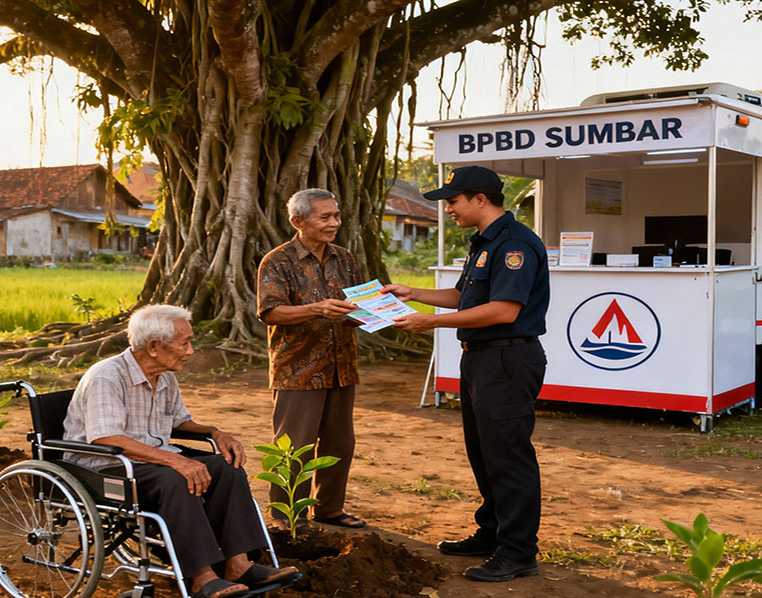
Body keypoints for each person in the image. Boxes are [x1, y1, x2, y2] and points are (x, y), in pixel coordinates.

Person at [380, 165, 549, 583]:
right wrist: (412, 293)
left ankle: (518, 551)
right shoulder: (485, 242)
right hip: (481, 359)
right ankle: (492, 533)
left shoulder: (515, 245)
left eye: (453, 201)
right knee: (484, 452)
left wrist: (429, 323)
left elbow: (503, 310)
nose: (448, 209)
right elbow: (463, 295)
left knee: (508, 456)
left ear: (480, 199)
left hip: (507, 360)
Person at [62, 305, 299, 598]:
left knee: (226, 466)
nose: (190, 351)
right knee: (177, 478)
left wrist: (215, 433)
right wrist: (177, 461)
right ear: (153, 346)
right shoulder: (107, 376)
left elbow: (179, 422)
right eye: (184, 342)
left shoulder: (164, 376)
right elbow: (107, 438)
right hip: (104, 466)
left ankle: (239, 564)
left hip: (151, 460)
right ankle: (202, 577)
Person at [256, 188, 366, 529]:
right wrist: (315, 309)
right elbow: (271, 312)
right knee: (295, 447)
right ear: (298, 221)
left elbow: (360, 306)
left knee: (340, 444)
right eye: (326, 217)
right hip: (298, 371)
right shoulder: (277, 260)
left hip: (341, 366)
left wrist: (374, 312)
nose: (335, 223)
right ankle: (287, 514)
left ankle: (329, 508)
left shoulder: (345, 259)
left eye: (336, 215)